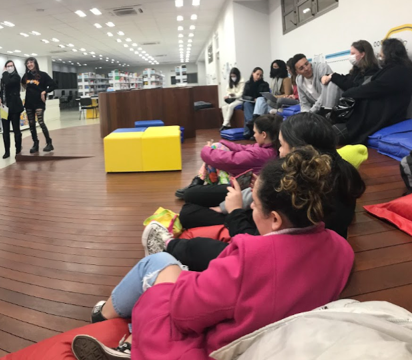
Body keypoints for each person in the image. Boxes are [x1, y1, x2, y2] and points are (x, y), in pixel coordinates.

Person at [72, 147, 354, 360]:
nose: (251, 209)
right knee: (172, 266)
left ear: (276, 219)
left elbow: (184, 313)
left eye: (255, 205)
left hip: (222, 347)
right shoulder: (342, 250)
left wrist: (181, 281)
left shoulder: (249, 257)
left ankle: (107, 321)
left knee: (157, 264)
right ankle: (122, 333)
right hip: (273, 335)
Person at [149, 113, 366, 272]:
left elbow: (259, 243)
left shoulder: (302, 186)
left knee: (197, 245)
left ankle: (168, 247)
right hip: (294, 244)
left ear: (300, 149)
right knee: (193, 214)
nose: (278, 150)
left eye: (282, 145)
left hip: (280, 256)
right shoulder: (336, 173)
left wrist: (236, 211)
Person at [175, 114, 282, 200]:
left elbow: (229, 159)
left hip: (241, 186)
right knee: (217, 147)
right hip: (246, 180)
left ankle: (199, 182)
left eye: (255, 132)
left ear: (263, 134)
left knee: (214, 152)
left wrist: (206, 149)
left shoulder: (260, 154)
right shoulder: (268, 148)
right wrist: (223, 143)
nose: (254, 135)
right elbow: (244, 148)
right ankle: (199, 181)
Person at [333, 38, 412, 145]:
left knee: (326, 133)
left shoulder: (397, 72)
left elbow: (370, 88)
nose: (380, 55)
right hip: (375, 118)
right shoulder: (399, 70)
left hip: (378, 120)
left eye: (382, 53)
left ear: (388, 52)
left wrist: (348, 93)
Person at [21, 57, 57, 153]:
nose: (29, 64)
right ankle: (35, 143)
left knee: (41, 122)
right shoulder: (26, 76)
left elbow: (54, 85)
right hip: (29, 102)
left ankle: (49, 143)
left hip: (39, 102)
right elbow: (23, 84)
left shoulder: (43, 75)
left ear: (35, 63)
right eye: (27, 63)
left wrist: (45, 92)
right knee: (31, 123)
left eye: (31, 62)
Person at [0, 60, 23, 158]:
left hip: (14, 107)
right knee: (5, 131)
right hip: (4, 107)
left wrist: (4, 73)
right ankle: (7, 151)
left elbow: (8, 83)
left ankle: (18, 150)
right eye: (7, 66)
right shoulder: (3, 78)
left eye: (11, 66)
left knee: (16, 130)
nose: (9, 67)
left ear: (14, 67)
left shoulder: (16, 77)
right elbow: (2, 90)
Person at [241, 67, 269, 138]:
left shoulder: (265, 84)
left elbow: (266, 95)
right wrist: (252, 99)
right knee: (246, 104)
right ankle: (251, 123)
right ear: (253, 73)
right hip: (251, 101)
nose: (259, 76)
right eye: (257, 74)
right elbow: (244, 96)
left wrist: (258, 99)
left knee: (256, 103)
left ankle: (251, 128)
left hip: (260, 104)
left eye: (260, 75)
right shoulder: (248, 84)